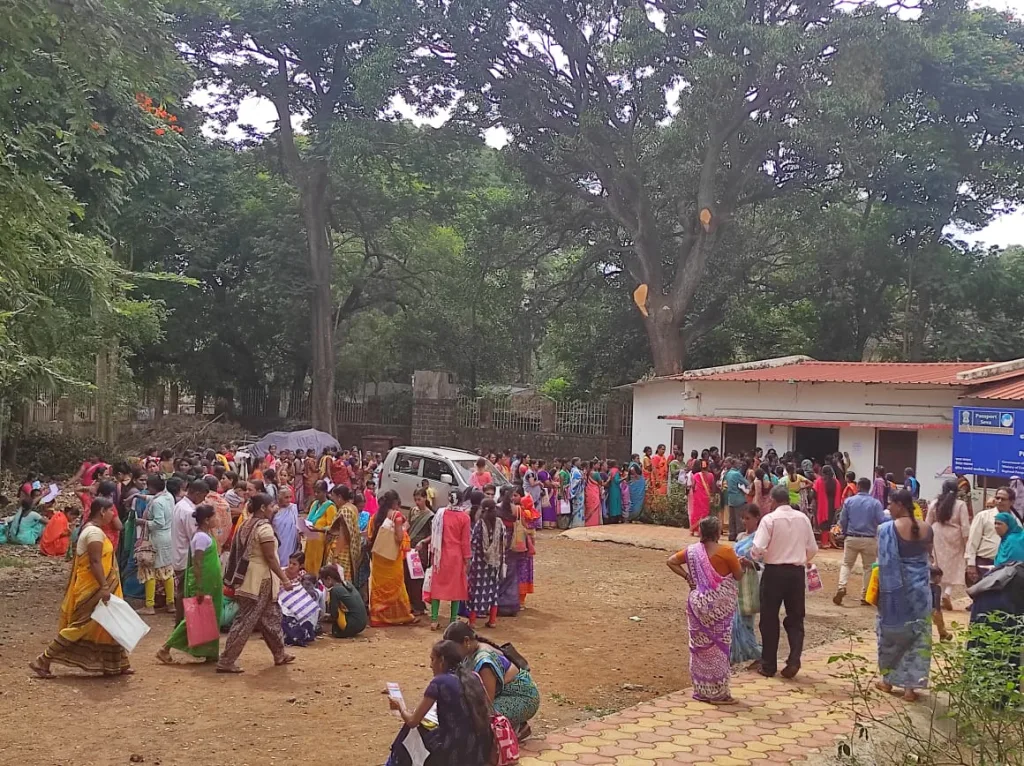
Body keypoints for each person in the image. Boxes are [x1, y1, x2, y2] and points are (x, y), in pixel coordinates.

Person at [30, 498, 132, 678]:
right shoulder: (94, 533)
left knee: (110, 624)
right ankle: (44, 659)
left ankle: (118, 663)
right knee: (81, 626)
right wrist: (104, 586)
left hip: (96, 586)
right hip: (92, 589)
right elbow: (95, 562)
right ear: (102, 511)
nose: (112, 516)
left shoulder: (93, 530)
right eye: (111, 512)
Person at [667, 516, 743, 703]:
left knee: (699, 647)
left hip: (697, 605)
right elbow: (739, 575)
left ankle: (702, 690)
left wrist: (687, 577)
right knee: (719, 647)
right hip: (719, 608)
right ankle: (718, 693)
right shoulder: (726, 551)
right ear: (718, 533)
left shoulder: (692, 551)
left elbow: (671, 561)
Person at [218, 492, 296, 673]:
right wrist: (284, 579)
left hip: (248, 579)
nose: (274, 509)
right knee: (246, 620)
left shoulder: (246, 524)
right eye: (271, 506)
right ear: (263, 508)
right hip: (260, 581)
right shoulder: (264, 528)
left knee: (271, 618)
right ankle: (226, 660)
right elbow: (270, 557)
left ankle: (279, 653)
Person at [386, 639, 496, 766]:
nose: (430, 665)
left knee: (409, 731)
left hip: (452, 750)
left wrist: (400, 706)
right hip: (479, 748)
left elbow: (412, 721)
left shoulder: (439, 682)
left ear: (442, 661)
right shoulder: (473, 677)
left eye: (432, 659)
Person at [752, 484, 817, 679]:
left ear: (772, 500)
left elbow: (758, 549)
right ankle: (794, 659)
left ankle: (768, 665)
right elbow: (812, 548)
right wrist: (801, 559)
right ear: (788, 499)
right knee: (796, 618)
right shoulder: (803, 519)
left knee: (769, 619)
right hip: (796, 573)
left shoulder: (769, 520)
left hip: (774, 572)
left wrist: (755, 556)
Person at [875, 489, 933, 701]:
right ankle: (911, 688)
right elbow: (928, 558)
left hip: (895, 591)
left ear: (900, 504)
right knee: (919, 635)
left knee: (891, 634)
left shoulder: (886, 529)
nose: (889, 507)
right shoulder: (927, 528)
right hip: (920, 592)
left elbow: (883, 563)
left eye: (891, 504)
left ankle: (888, 681)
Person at [444, 621, 541, 738]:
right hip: (503, 694)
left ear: (466, 641)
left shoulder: (484, 661)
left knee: (475, 719)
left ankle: (515, 729)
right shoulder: (470, 651)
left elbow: (486, 702)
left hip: (524, 698)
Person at [158, 504, 224, 663]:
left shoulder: (205, 535)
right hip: (204, 585)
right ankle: (165, 648)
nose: (217, 519)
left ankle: (210, 652)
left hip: (211, 584)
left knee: (210, 618)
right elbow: (198, 563)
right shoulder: (201, 537)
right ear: (207, 520)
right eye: (214, 517)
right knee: (193, 619)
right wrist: (200, 587)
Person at [834, 477, 886, 606]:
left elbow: (843, 520)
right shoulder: (875, 503)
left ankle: (842, 587)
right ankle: (865, 596)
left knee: (846, 564)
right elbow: (881, 520)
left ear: (858, 487)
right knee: (868, 567)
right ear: (869, 488)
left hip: (852, 537)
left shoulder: (849, 501)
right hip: (869, 539)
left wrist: (845, 533)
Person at [367, 490, 417, 627]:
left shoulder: (376, 516)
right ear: (395, 502)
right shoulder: (397, 516)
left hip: (378, 556)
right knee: (396, 584)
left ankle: (377, 616)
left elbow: (369, 535)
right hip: (391, 556)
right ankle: (401, 615)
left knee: (378, 585)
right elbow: (399, 537)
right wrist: (405, 528)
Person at [428, 490, 472, 630]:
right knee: (456, 589)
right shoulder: (464, 518)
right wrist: (467, 559)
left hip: (439, 556)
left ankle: (434, 620)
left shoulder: (440, 514)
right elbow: (465, 542)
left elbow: (434, 534)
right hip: (456, 557)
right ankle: (453, 620)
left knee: (437, 586)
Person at [925, 479, 970, 611]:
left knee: (938, 566)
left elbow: (928, 522)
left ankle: (938, 596)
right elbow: (965, 526)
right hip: (955, 536)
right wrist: (967, 542)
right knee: (954, 566)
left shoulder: (934, 503)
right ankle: (947, 593)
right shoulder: (961, 505)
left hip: (937, 534)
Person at [138, 474, 176, 616]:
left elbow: (158, 522)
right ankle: (171, 603)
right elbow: (153, 498)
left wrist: (143, 522)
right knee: (166, 570)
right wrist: (138, 496)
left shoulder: (157, 503)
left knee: (150, 570)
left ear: (153, 487)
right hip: (168, 536)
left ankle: (149, 605)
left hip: (157, 537)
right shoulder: (169, 497)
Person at [731, 504, 762, 666]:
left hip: (750, 582)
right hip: (737, 580)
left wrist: (749, 563)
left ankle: (756, 652)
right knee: (734, 620)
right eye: (743, 518)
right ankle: (736, 653)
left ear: (757, 518)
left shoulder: (759, 539)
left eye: (748, 518)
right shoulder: (741, 536)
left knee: (746, 619)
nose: (745, 521)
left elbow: (763, 563)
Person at [468, 498, 505, 629]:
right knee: (493, 591)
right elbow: (502, 543)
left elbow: (473, 544)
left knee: (475, 592)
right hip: (494, 563)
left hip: (479, 563)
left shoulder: (479, 524)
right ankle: (492, 621)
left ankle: (472, 622)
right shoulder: (500, 524)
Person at [965, 486, 1009, 586]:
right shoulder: (983, 516)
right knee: (982, 596)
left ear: (1011, 502)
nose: (999, 501)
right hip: (984, 563)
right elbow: (972, 541)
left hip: (1006, 566)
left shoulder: (1015, 520)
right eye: (997, 498)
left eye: (1003, 499)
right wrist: (971, 564)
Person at [320, 564, 367, 638]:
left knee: (334, 608)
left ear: (329, 579)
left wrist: (326, 618)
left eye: (323, 582)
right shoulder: (347, 583)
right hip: (362, 624)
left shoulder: (335, 590)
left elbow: (334, 614)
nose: (324, 585)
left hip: (352, 625)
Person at [327, 485, 361, 585]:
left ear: (340, 497)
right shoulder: (353, 507)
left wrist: (336, 555)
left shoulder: (345, 511)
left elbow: (344, 534)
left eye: (333, 496)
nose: (332, 499)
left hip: (342, 551)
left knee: (338, 579)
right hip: (349, 550)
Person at [304, 480, 337, 574]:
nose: (316, 494)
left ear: (325, 492)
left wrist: (318, 529)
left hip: (321, 543)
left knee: (317, 565)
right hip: (311, 540)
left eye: (318, 492)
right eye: (315, 491)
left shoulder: (330, 507)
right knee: (308, 563)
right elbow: (309, 519)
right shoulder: (314, 504)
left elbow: (332, 527)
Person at [813, 466, 843, 548]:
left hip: (822, 504)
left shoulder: (819, 481)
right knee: (830, 522)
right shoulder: (836, 482)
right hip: (833, 504)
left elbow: (814, 494)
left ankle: (824, 543)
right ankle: (829, 542)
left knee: (823, 524)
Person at [272, 485, 300, 566]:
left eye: (290, 497)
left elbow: (296, 525)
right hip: (279, 541)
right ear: (279, 497)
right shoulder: (273, 509)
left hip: (291, 541)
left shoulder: (293, 508)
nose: (289, 500)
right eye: (286, 497)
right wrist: (273, 512)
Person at [689, 460, 715, 536]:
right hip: (706, 497)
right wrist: (712, 495)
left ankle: (693, 530)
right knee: (704, 513)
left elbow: (693, 486)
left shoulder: (696, 475)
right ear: (707, 466)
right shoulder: (711, 475)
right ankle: (701, 531)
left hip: (697, 496)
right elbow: (712, 486)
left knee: (696, 513)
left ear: (700, 466)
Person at [584, 461, 603, 527]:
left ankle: (588, 522)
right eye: (597, 464)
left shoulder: (588, 473)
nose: (599, 466)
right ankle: (594, 522)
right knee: (595, 504)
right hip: (594, 491)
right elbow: (601, 482)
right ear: (594, 465)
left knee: (589, 505)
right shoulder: (596, 474)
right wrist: (608, 480)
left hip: (589, 491)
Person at [569, 457, 585, 528]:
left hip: (579, 491)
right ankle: (576, 523)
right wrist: (581, 479)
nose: (580, 462)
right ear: (575, 462)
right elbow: (574, 481)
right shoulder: (575, 471)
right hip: (577, 492)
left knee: (579, 507)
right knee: (577, 507)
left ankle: (578, 522)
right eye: (579, 461)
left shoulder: (575, 470)